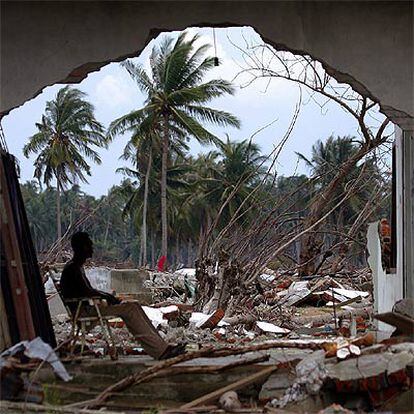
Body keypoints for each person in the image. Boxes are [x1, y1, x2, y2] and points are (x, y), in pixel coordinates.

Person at [60, 231, 186, 360]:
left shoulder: (75, 267)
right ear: (83, 247)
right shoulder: (72, 268)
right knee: (130, 309)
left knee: (134, 305)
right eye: (89, 244)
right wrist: (109, 297)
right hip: (84, 311)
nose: (92, 247)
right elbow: (87, 292)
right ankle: (160, 350)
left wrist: (108, 297)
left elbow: (88, 291)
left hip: (88, 308)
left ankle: (162, 347)